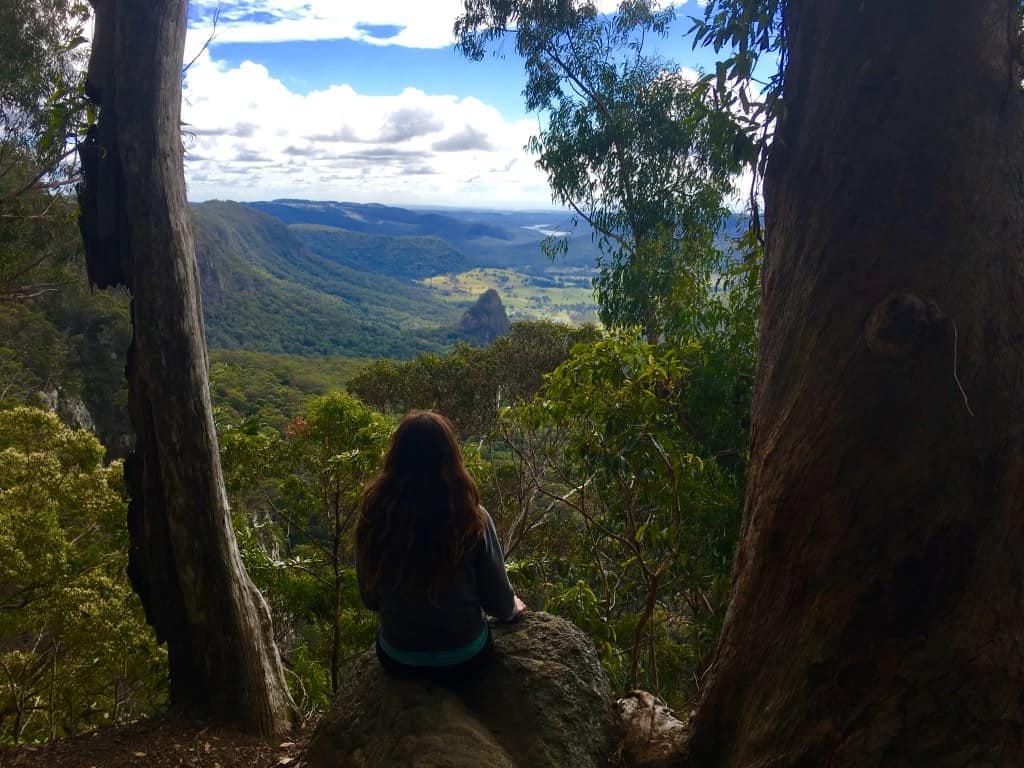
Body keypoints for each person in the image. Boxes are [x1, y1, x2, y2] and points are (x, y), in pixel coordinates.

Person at [355, 410, 525, 686]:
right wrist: (512, 607)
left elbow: (370, 600)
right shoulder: (473, 519)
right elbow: (500, 604)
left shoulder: (375, 515)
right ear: (451, 459)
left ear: (396, 457)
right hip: (464, 659)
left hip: (399, 659)